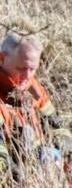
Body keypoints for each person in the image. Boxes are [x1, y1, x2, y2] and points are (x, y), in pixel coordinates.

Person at [0, 32, 59, 172]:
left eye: (32, 69)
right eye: (21, 68)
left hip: (42, 171)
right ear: (2, 59)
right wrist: (13, 173)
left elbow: (57, 125)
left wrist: (59, 147)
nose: (27, 76)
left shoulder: (33, 89)